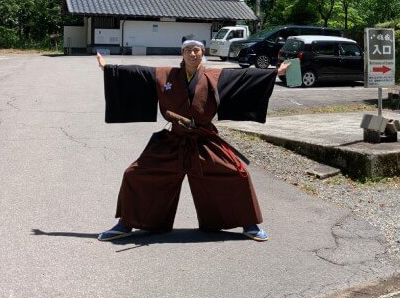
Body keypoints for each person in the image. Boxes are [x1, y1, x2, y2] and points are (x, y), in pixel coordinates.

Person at [96, 40, 289, 242]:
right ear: (182, 53)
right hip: (174, 139)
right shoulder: (165, 74)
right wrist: (108, 69)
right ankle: (126, 223)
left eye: (196, 50)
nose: (192, 54)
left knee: (237, 173)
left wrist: (275, 73)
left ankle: (249, 224)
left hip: (203, 139)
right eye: (188, 50)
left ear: (202, 52)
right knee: (135, 173)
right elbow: (137, 74)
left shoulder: (214, 76)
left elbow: (244, 77)